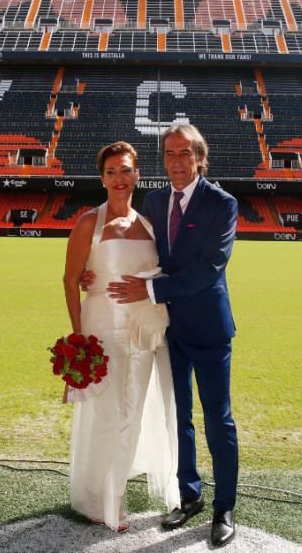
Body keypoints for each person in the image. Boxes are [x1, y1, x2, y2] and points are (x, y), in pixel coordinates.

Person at [107, 124, 240, 548]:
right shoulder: (156, 199)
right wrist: (100, 269)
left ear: (200, 157)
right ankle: (190, 496)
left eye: (185, 154)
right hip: (171, 329)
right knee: (178, 418)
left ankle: (224, 507)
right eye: (169, 154)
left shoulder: (222, 204)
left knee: (218, 420)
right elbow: (143, 252)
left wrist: (148, 290)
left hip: (209, 329)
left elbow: (208, 270)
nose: (177, 162)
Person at [61, 141, 180, 532]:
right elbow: (70, 279)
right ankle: (100, 498)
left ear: (137, 175)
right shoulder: (87, 224)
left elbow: (165, 272)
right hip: (102, 331)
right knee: (107, 416)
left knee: (133, 415)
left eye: (126, 170)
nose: (119, 178)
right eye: (111, 172)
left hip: (144, 332)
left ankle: (115, 495)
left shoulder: (148, 225)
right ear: (102, 178)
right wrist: (79, 341)